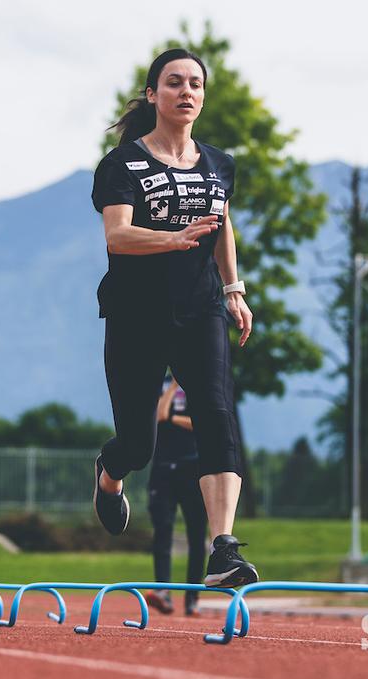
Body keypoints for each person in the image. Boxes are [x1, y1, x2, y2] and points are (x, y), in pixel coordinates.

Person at [90, 47, 259, 588]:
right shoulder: (121, 165)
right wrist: (173, 238)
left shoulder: (218, 164)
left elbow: (221, 224)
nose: (186, 91)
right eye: (174, 83)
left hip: (200, 307)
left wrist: (233, 287)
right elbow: (117, 236)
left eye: (195, 84)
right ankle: (109, 475)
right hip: (136, 316)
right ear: (152, 95)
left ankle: (224, 549)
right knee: (139, 444)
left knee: (215, 412)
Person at [145, 374, 208, 615]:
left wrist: (172, 417)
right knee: (162, 529)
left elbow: (201, 421)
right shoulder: (158, 381)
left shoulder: (198, 380)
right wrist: (172, 385)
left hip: (193, 467)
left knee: (197, 535)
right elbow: (158, 415)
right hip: (162, 467)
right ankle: (163, 592)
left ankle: (193, 597)